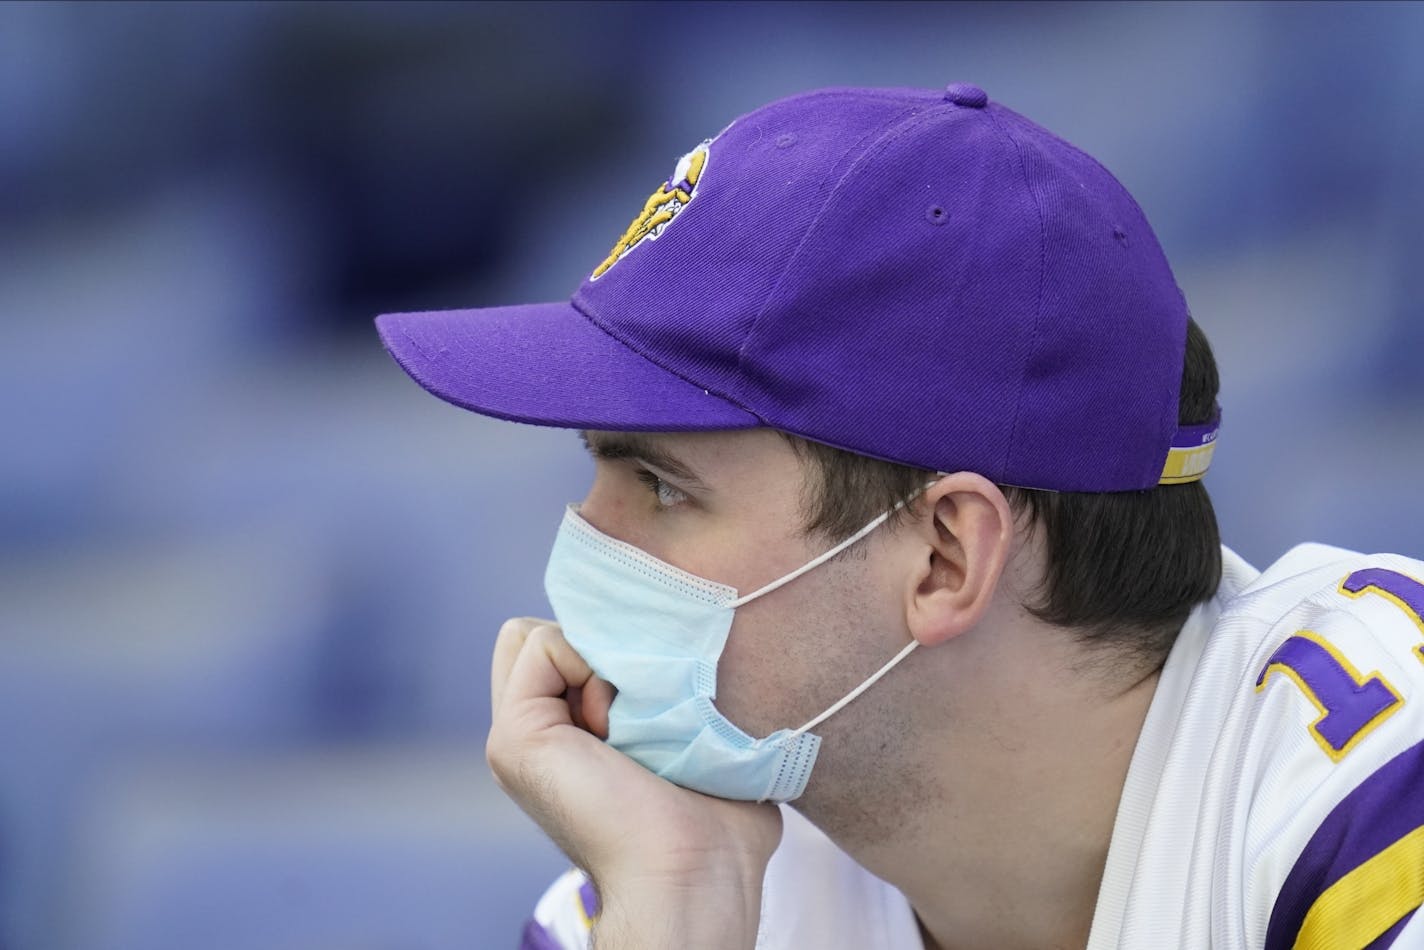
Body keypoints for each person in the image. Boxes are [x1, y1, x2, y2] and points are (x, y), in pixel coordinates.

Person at [375, 83, 1424, 949]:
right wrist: (676, 904)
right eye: (595, 466)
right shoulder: (662, 872)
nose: (584, 535)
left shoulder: (1367, 785)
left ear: (942, 555)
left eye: (658, 482)